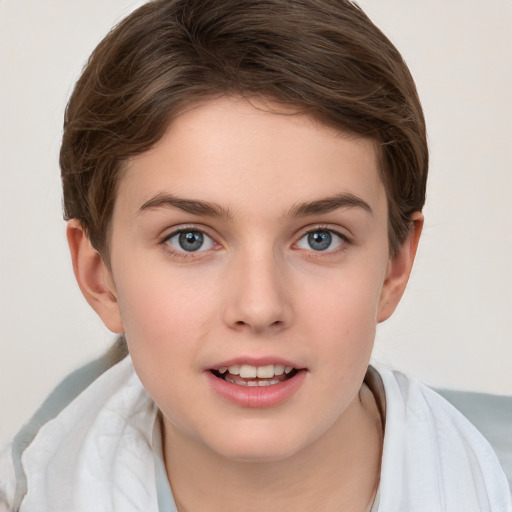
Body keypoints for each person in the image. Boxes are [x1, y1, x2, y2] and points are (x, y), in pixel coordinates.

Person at [1, 0, 510, 510]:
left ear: (394, 267)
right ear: (99, 276)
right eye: (190, 239)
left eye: (320, 238)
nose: (260, 307)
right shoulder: (35, 485)